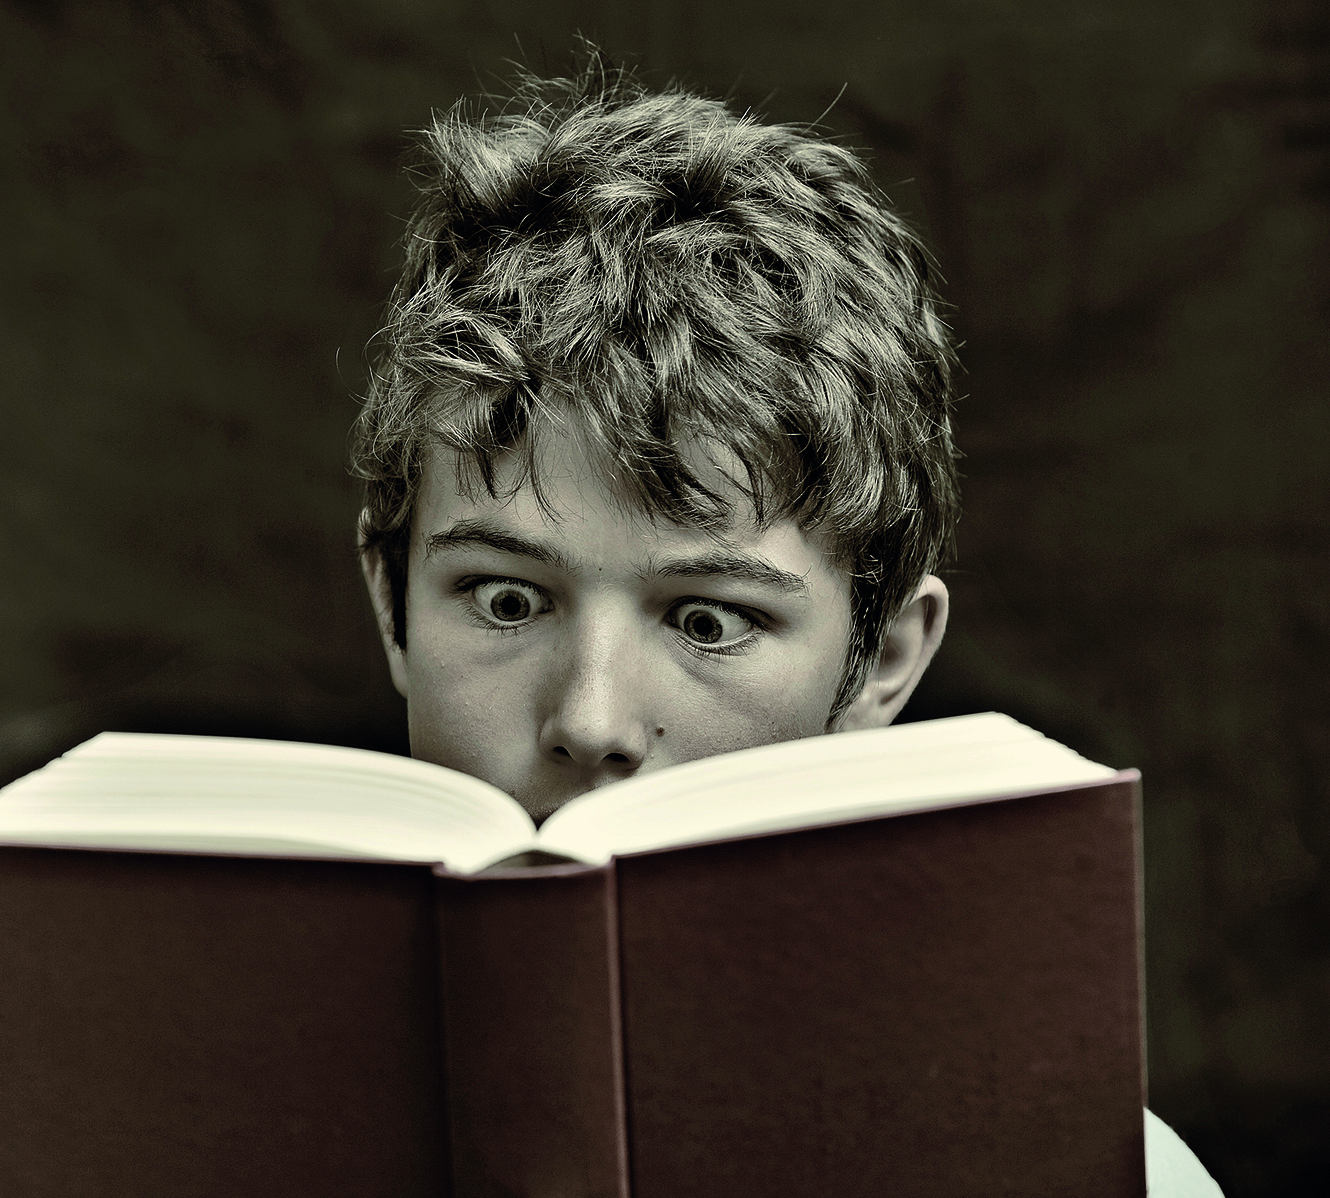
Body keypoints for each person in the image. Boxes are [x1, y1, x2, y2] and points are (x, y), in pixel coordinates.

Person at [348, 58, 1223, 1197]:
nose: (592, 721)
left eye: (709, 619)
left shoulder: (1099, 1173)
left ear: (882, 658)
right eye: (507, 600)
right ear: (389, 595)